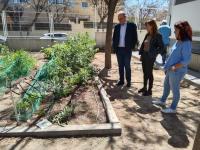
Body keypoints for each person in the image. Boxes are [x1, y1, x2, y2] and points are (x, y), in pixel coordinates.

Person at [152, 21, 192, 114]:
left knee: (175, 89)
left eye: (176, 30)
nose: (174, 32)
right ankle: (162, 101)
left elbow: (186, 60)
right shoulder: (178, 41)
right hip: (171, 69)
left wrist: (174, 67)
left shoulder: (186, 43)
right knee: (166, 86)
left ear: (182, 31)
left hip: (177, 71)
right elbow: (173, 55)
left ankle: (173, 108)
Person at [112, 11, 138, 87]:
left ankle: (128, 81)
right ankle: (121, 80)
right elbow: (114, 38)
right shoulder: (117, 27)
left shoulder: (132, 25)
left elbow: (135, 37)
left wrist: (132, 47)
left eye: (121, 18)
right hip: (119, 49)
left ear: (125, 17)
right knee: (120, 66)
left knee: (127, 66)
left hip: (127, 49)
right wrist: (114, 48)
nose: (120, 20)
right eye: (119, 19)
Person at [138, 20, 164, 96]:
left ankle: (149, 90)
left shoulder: (158, 35)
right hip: (144, 55)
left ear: (152, 26)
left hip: (150, 57)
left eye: (147, 25)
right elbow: (143, 45)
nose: (146, 27)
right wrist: (141, 54)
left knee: (149, 73)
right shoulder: (147, 34)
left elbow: (162, 47)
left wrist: (155, 52)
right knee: (145, 73)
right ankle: (144, 87)